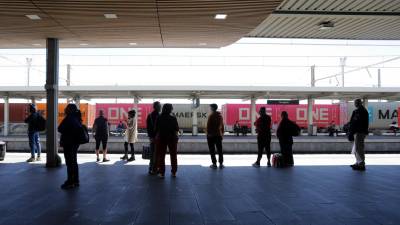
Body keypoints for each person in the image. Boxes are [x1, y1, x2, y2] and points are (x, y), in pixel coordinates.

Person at [58, 104, 82, 189]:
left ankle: (70, 181)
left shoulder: (69, 118)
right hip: (75, 143)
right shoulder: (77, 118)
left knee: (69, 163)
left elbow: (60, 128)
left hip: (69, 143)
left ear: (70, 110)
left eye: (66, 108)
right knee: (74, 162)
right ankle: (76, 180)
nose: (65, 109)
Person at [155, 103, 179, 178]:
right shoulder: (173, 118)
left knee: (161, 156)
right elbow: (177, 129)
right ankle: (174, 172)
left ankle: (162, 173)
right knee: (173, 155)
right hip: (172, 138)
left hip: (162, 138)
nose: (172, 109)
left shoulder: (159, 117)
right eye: (171, 108)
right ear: (170, 109)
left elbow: (156, 129)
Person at [348, 99, 369, 171]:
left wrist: (351, 131)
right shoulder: (361, 111)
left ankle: (361, 164)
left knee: (359, 147)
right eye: (355, 102)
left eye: (356, 102)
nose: (355, 104)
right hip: (359, 131)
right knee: (357, 147)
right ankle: (358, 162)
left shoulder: (360, 111)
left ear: (360, 103)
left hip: (359, 132)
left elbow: (355, 122)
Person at [206, 103, 225, 169]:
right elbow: (222, 126)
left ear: (212, 108)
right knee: (220, 150)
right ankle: (221, 164)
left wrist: (208, 134)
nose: (210, 108)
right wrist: (222, 134)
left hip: (211, 136)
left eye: (210, 107)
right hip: (218, 135)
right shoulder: (220, 116)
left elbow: (208, 126)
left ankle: (214, 164)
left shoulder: (211, 116)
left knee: (212, 150)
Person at [146, 101, 161, 175]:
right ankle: (155, 168)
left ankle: (151, 168)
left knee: (152, 154)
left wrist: (150, 137)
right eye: (159, 106)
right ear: (156, 107)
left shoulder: (150, 115)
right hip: (158, 137)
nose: (160, 107)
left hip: (152, 138)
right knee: (157, 154)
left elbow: (148, 128)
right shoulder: (159, 115)